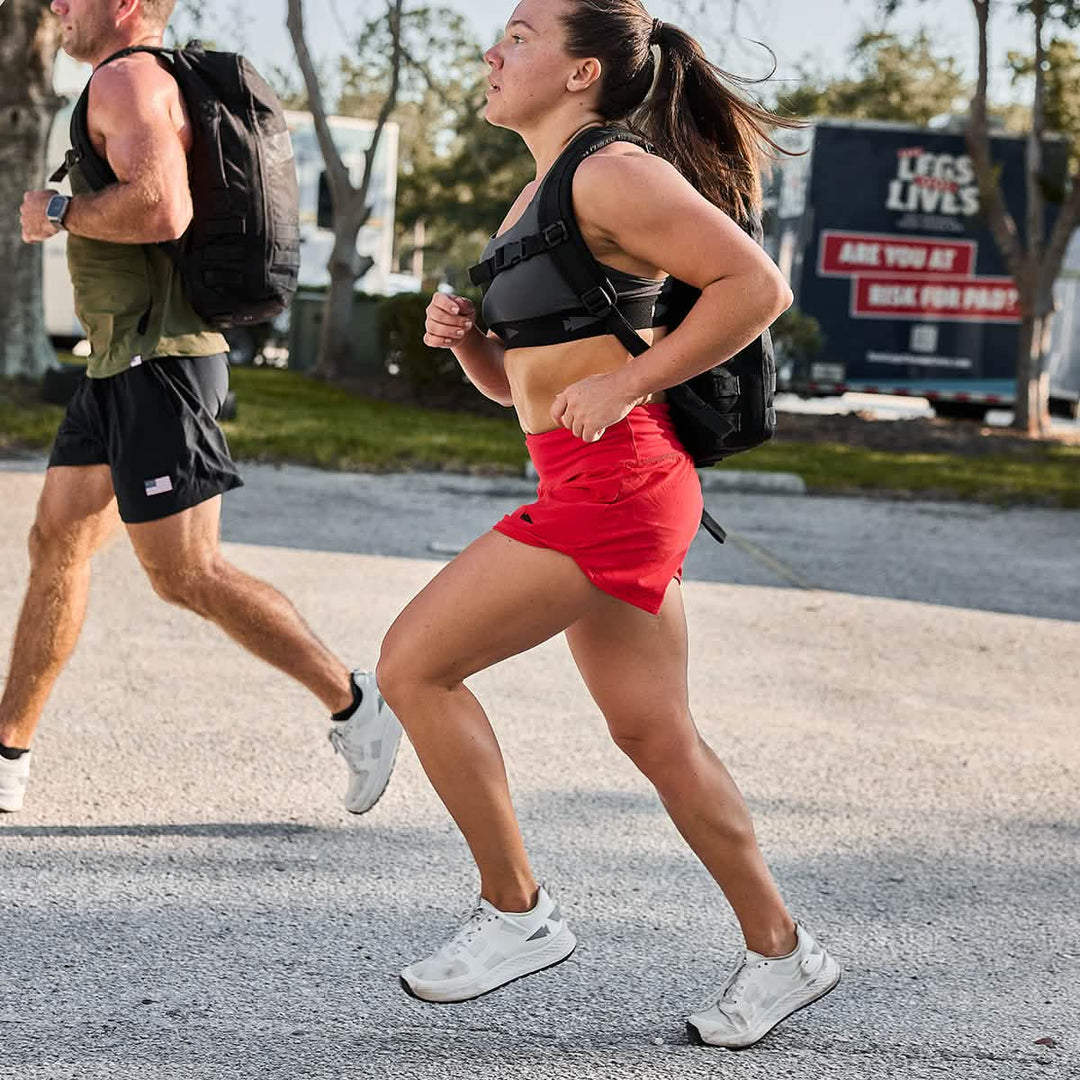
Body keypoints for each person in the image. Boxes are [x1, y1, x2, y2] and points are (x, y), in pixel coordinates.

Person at [376, 0, 840, 1050]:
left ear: (584, 71)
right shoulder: (540, 189)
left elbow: (754, 287)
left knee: (411, 667)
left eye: (523, 34)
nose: (496, 50)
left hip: (616, 488)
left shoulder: (611, 171)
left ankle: (516, 911)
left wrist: (637, 379)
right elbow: (535, 389)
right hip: (598, 479)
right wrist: (472, 354)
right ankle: (784, 951)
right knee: (656, 735)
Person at [0, 0, 400, 817]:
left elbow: (162, 208)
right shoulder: (132, 80)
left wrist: (61, 211)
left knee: (187, 573)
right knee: (56, 542)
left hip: (164, 363)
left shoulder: (128, 79)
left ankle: (359, 705)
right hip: (118, 361)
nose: (55, 8)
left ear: (126, 6)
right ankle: (8, 754)